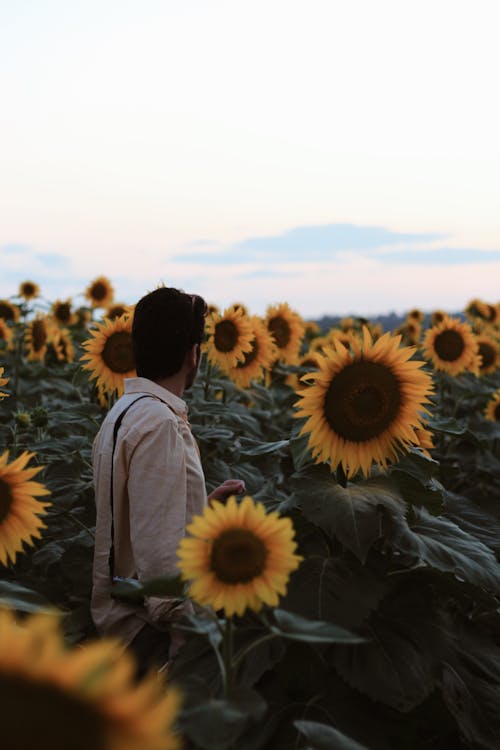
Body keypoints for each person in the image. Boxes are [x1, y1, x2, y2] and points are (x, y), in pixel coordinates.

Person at [91, 287, 245, 677]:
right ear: (193, 354)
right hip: (149, 634)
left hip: (118, 619)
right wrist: (181, 630)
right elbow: (160, 554)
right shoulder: (159, 425)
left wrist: (199, 505)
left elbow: (136, 513)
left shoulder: (123, 414)